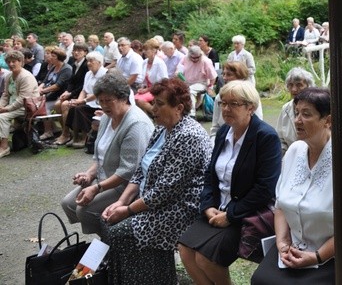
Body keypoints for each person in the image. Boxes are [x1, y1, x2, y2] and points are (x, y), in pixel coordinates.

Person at [250, 87, 342, 284]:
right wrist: (282, 242)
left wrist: (317, 256)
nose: (297, 120)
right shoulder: (294, 150)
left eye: (306, 114)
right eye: (296, 113)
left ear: (327, 120)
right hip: (292, 250)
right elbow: (280, 207)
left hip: (332, 257)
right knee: (260, 280)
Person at [101, 78, 212, 284]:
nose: (153, 108)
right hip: (155, 203)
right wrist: (121, 202)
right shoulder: (162, 129)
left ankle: (154, 279)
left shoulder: (189, 136)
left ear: (178, 108)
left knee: (121, 231)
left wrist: (128, 210)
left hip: (180, 209)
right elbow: (140, 171)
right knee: (108, 220)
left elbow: (165, 190)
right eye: (153, 102)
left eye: (159, 104)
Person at [179, 80, 282, 285]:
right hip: (217, 209)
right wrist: (207, 206)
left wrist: (231, 215)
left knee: (206, 258)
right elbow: (210, 175)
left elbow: (265, 188)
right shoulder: (224, 133)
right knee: (185, 250)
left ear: (250, 107)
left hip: (247, 213)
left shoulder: (265, 137)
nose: (226, 109)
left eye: (233, 104)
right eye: (222, 103)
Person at [61, 73, 153, 235]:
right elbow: (100, 157)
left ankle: (110, 244)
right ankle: (106, 236)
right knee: (68, 203)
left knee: (85, 211)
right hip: (104, 178)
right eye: (100, 101)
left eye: (108, 100)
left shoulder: (136, 124)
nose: (103, 106)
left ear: (123, 98)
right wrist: (89, 175)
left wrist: (96, 188)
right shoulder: (106, 118)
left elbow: (129, 171)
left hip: (128, 185)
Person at [57, 52, 108, 147]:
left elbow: (99, 92)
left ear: (100, 62)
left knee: (79, 110)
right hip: (88, 102)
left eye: (91, 61)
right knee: (73, 108)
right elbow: (84, 90)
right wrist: (78, 101)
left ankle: (85, 138)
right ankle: (75, 137)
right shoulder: (88, 74)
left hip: (98, 103)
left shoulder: (105, 74)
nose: (88, 63)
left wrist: (83, 101)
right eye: (88, 61)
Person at [0, 50, 39, 157]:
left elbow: (23, 99)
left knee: (2, 117)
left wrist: (6, 109)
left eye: (14, 61)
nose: (11, 64)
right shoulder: (8, 76)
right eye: (9, 62)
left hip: (27, 107)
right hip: (12, 106)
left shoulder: (26, 77)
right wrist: (1, 105)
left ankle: (4, 147)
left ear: (20, 61)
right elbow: (5, 94)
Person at [210, 61, 263, 137]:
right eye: (223, 74)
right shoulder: (219, 97)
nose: (224, 78)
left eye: (229, 74)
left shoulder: (250, 95)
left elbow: (258, 122)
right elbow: (215, 127)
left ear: (240, 76)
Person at [38, 47, 73, 140]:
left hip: (59, 96)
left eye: (53, 56)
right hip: (49, 95)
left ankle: (48, 131)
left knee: (44, 107)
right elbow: (45, 81)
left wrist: (43, 91)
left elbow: (58, 86)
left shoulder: (67, 69)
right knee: (38, 104)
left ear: (59, 58)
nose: (50, 57)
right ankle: (53, 128)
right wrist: (40, 87)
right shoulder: (53, 67)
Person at [277, 67, 314, 153]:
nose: (294, 89)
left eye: (299, 85)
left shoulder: (316, 108)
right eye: (290, 85)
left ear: (309, 86)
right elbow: (280, 139)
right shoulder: (285, 109)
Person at [180, 45, 218, 117]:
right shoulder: (185, 58)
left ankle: (191, 114)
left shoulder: (206, 61)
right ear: (189, 55)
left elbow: (213, 76)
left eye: (197, 57)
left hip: (202, 83)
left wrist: (210, 87)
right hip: (186, 82)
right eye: (193, 58)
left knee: (190, 90)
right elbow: (179, 70)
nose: (195, 59)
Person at [134, 39, 169, 114]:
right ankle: (147, 116)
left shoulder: (160, 63)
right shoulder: (144, 62)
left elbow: (163, 82)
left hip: (158, 90)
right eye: (144, 50)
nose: (144, 52)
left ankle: (156, 113)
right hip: (148, 89)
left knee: (139, 100)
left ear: (154, 50)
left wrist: (147, 90)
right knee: (133, 99)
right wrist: (142, 88)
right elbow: (144, 80)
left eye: (147, 50)